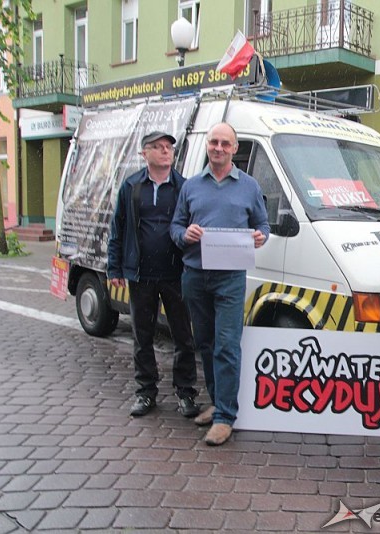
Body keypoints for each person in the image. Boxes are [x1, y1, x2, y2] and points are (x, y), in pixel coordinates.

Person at [170, 122, 269, 446]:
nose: (219, 148)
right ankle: (217, 402)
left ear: (234, 148)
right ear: (208, 146)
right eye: (214, 142)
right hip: (195, 275)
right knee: (206, 343)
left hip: (230, 277)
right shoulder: (191, 185)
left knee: (227, 345)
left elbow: (263, 224)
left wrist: (260, 237)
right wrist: (184, 234)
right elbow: (176, 224)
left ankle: (226, 417)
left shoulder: (249, 186)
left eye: (225, 143)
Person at [107, 131, 199, 418]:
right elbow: (118, 228)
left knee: (183, 337)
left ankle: (186, 394)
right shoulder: (132, 186)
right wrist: (114, 267)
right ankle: (146, 393)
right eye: (157, 147)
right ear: (143, 153)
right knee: (142, 336)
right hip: (140, 275)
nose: (165, 151)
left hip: (176, 274)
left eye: (169, 147)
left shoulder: (184, 187)